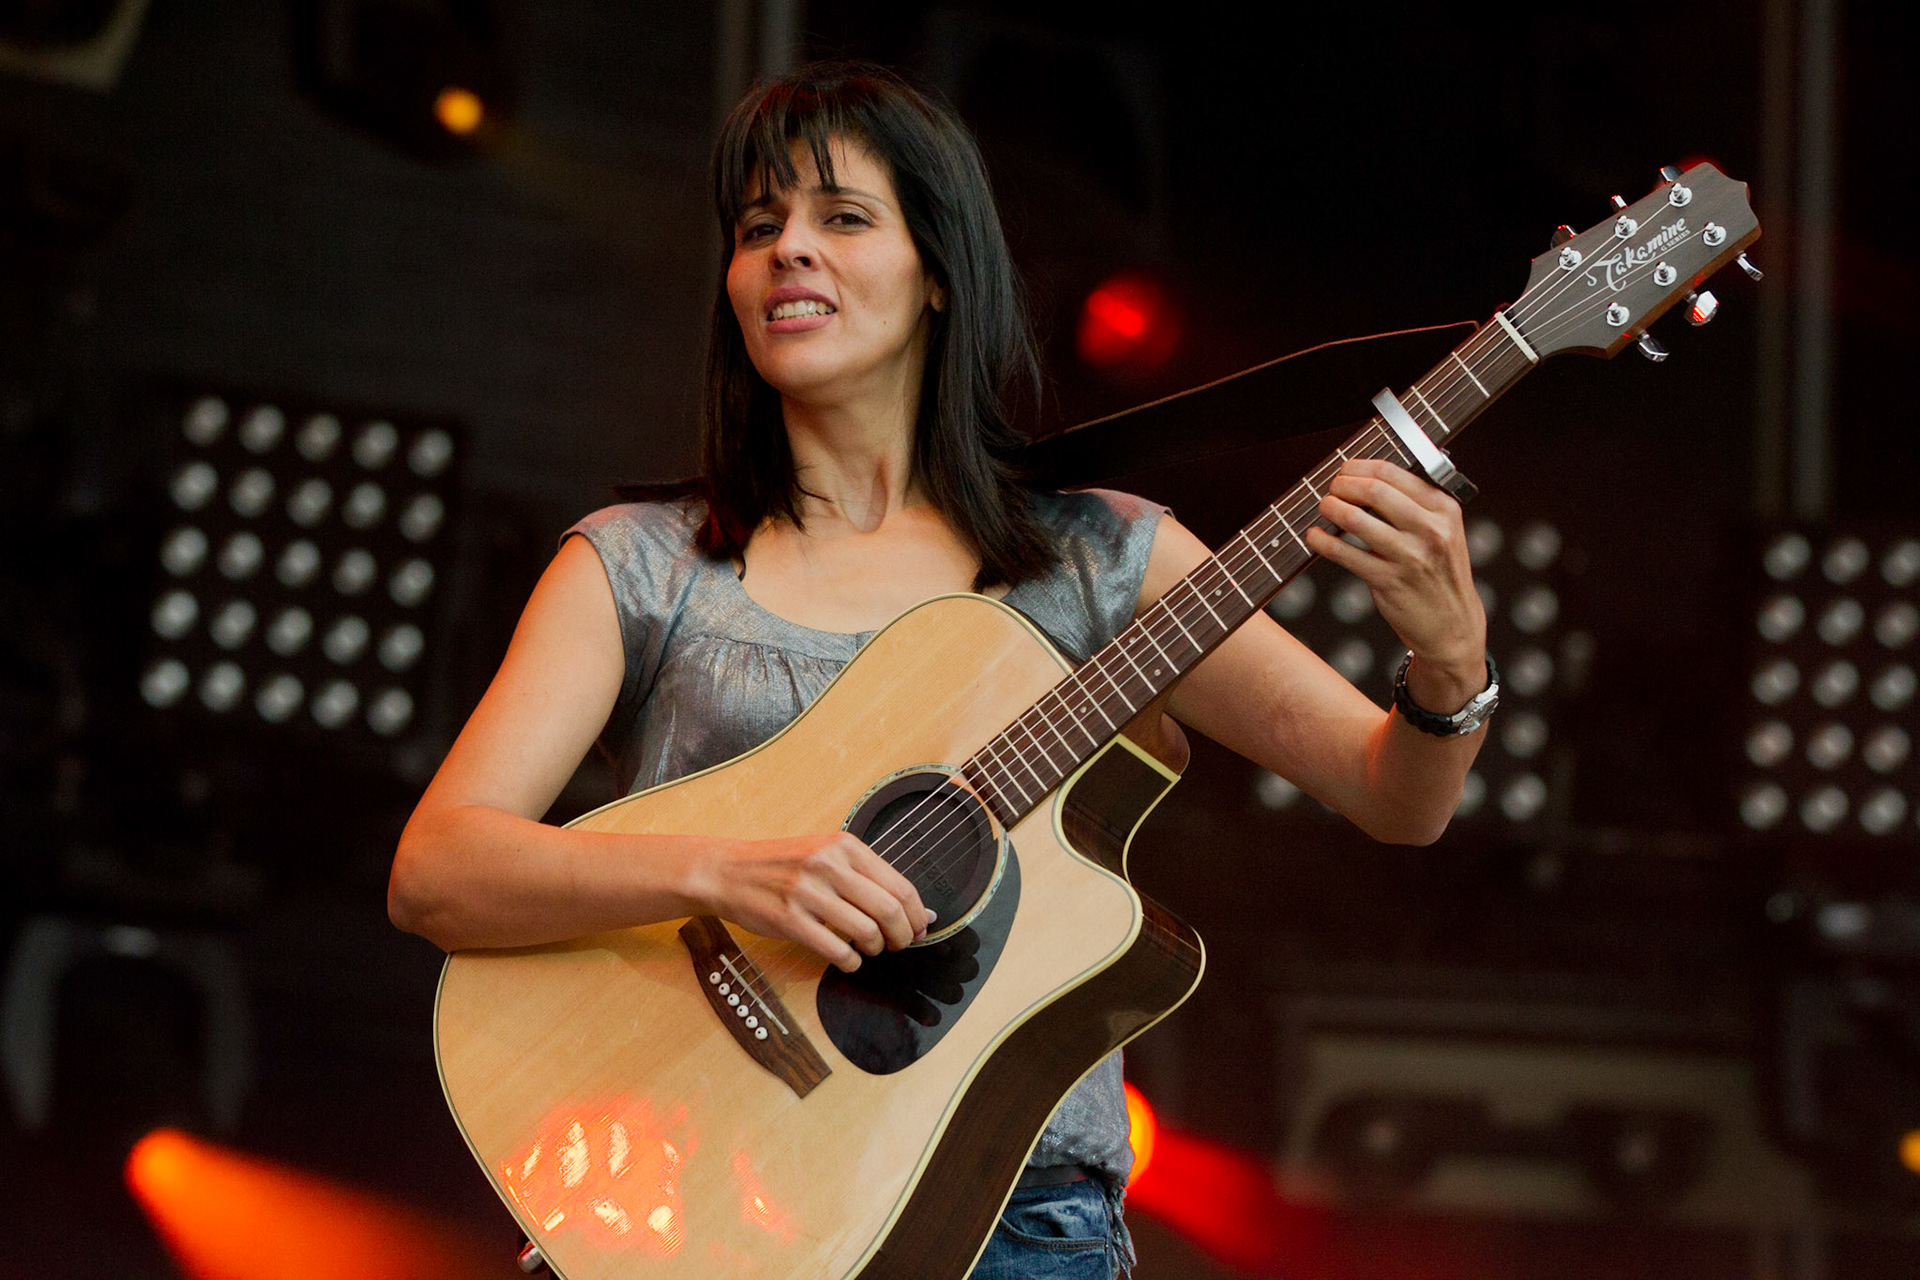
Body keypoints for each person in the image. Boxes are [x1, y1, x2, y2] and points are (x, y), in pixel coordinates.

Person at [388, 61, 1489, 1280]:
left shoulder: (1099, 559)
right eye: (760, 230)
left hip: (1011, 1227)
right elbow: (438, 868)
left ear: (942, 276)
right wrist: (729, 871)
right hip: (678, 1209)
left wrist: (1450, 659)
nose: (787, 252)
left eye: (842, 219)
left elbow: (1398, 797)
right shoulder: (642, 565)